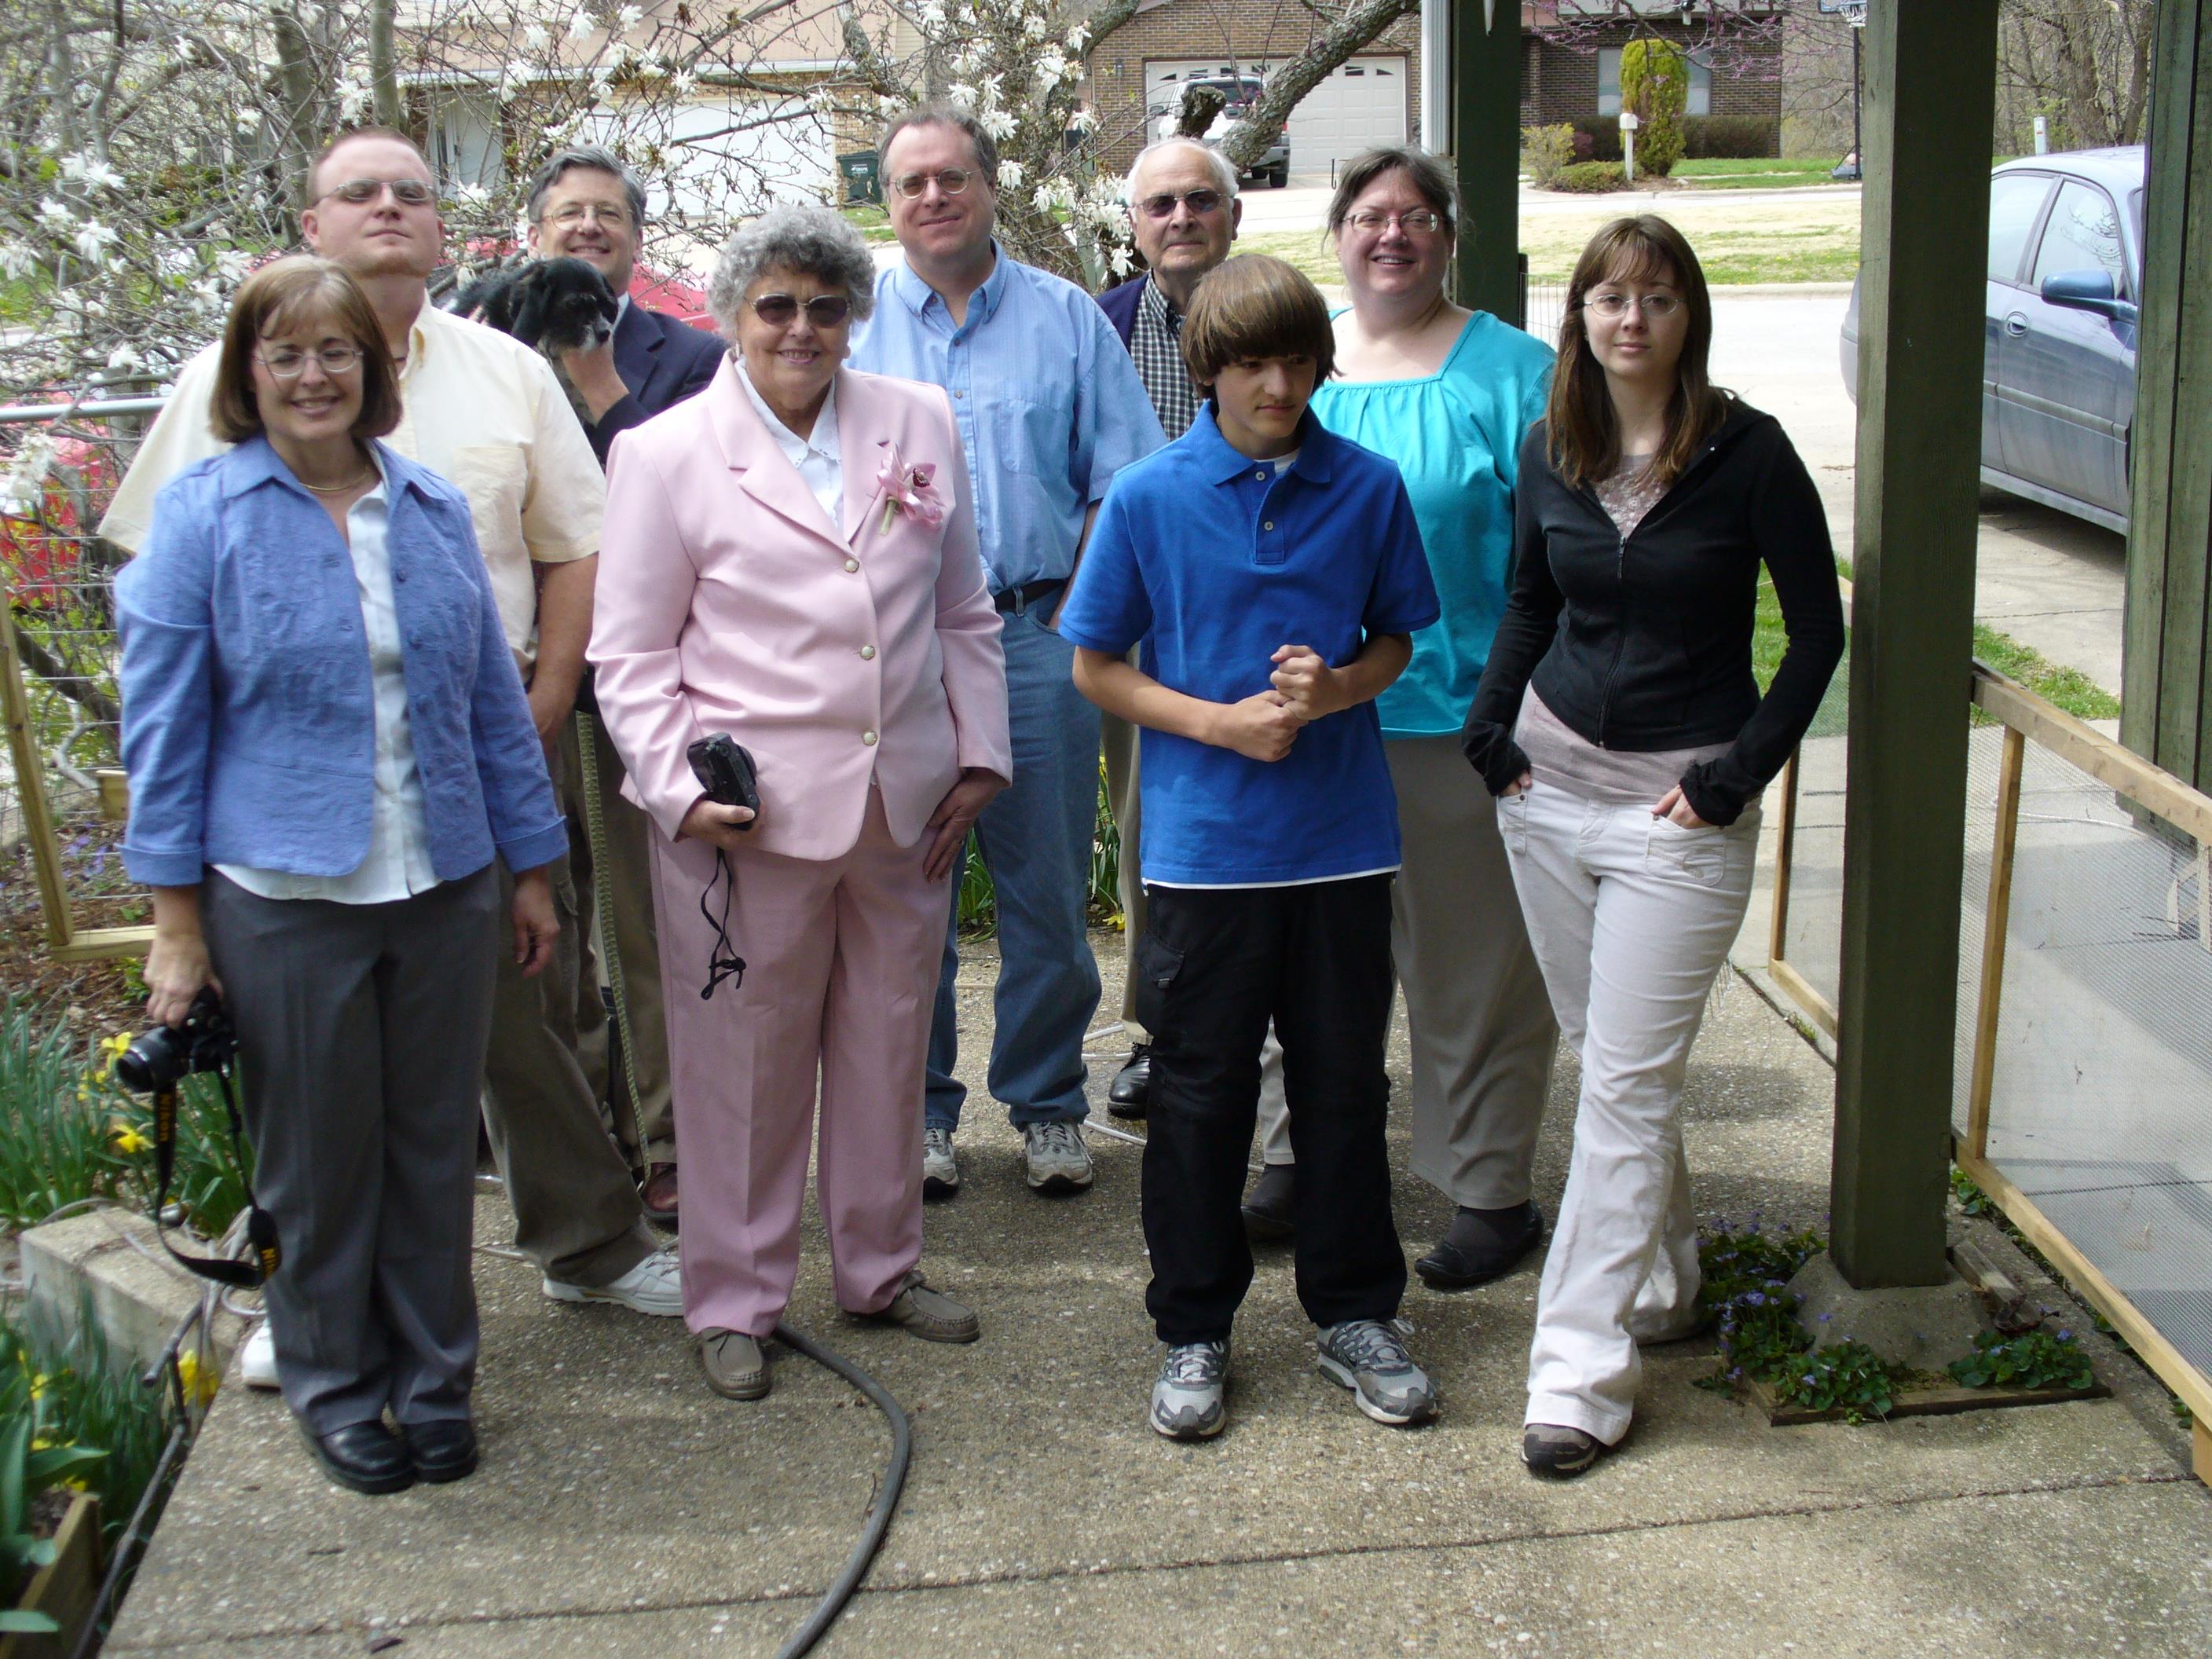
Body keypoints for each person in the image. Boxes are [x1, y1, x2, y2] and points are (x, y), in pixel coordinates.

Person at [100, 130, 683, 1401]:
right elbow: (160, 633)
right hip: (290, 802)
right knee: (310, 1084)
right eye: (357, 192)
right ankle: (314, 1306)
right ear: (311, 222)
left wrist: (544, 702)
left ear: (440, 224)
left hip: (482, 761)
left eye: (411, 193)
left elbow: (574, 546)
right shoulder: (221, 401)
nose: (387, 209)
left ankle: (582, 1250)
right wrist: (178, 907)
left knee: (522, 1026)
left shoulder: (504, 373)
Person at [118, 258, 567, 1494]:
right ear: (248, 373)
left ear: (372, 370)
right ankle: (335, 1386)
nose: (313, 376)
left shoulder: (425, 507)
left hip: (444, 885)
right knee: (316, 1168)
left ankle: (434, 1385)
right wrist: (175, 923)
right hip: (284, 900)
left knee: (433, 1153)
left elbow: (490, 702)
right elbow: (163, 732)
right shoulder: (203, 516)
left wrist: (530, 868)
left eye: (337, 353)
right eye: (286, 354)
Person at [591, 205, 1012, 1401]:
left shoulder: (916, 420)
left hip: (903, 802)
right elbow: (631, 655)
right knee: (743, 1068)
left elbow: (962, 608)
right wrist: (676, 790)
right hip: (747, 823)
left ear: (854, 318)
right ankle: (733, 1298)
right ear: (733, 316)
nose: (801, 328)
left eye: (827, 307)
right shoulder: (664, 454)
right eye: (775, 305)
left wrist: (980, 753)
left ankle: (881, 1269)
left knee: (889, 1042)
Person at [1461, 216, 1844, 1478]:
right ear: (1580, 315)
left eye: (1660, 298)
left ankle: (1578, 1374)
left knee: (1625, 1088)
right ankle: (1667, 1282)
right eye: (1611, 297)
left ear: (1691, 318)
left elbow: (1817, 634)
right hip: (1545, 798)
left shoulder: (1749, 454)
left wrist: (1733, 779)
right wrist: (1489, 730)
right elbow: (1531, 600)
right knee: (1621, 1070)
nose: (1633, 319)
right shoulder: (1552, 446)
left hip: (1678, 818)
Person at [1060, 254, 1443, 1441]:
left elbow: (1396, 641)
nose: (1277, 388)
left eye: (1297, 363)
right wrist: (1217, 724)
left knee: (1343, 1085)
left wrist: (1338, 691)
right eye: (1251, 365)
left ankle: (1354, 1312)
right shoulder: (1148, 495)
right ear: (1209, 369)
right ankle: (1193, 1325)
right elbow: (1095, 666)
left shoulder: (1367, 487)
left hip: (1340, 844)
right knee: (1198, 1093)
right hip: (1204, 853)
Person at [1243, 147, 1560, 1283]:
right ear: (1337, 233)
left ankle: (1487, 1188)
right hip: (1308, 720)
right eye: (1372, 215)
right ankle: (1293, 1153)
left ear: (1449, 238)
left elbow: (1555, 554)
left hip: (1455, 720)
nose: (1394, 234)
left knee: (1471, 964)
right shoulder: (1298, 365)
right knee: (1302, 957)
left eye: (1419, 216)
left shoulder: (1516, 374)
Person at [851, 104, 1166, 1201]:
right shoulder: (853, 325)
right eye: (911, 182)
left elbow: (1122, 476)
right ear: (888, 202)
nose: (933, 197)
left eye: (953, 176)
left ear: (989, 185)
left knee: (1044, 889)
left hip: (1032, 633)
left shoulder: (1066, 317)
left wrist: (1077, 607)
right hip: (895, 652)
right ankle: (921, 1114)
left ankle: (1047, 1105)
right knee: (908, 890)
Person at [524, 145, 727, 1222]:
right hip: (515, 683)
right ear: (536, 234)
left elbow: (690, 499)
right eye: (569, 213)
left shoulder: (690, 360)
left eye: (608, 213)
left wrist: (599, 381)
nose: (588, 227)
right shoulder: (487, 348)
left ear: (637, 240)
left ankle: (669, 1142)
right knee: (541, 930)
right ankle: (578, 1140)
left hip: (634, 687)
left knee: (645, 929)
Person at [1093, 137, 1243, 1120]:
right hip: (1142, 624)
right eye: (1160, 205)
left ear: (1233, 215)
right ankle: (1164, 1032)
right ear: (1133, 224)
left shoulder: (1285, 316)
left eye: (1199, 199)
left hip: (1265, 617)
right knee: (1150, 832)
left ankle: (1289, 1033)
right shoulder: (1096, 327)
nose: (1180, 218)